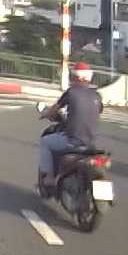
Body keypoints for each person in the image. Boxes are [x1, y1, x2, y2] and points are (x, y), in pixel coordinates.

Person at [37, 61, 103, 191]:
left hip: (73, 141)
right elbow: (98, 111)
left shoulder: (71, 92)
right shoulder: (97, 96)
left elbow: (54, 110)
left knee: (45, 142)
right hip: (91, 144)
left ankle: (49, 177)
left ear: (75, 77)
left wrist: (46, 114)